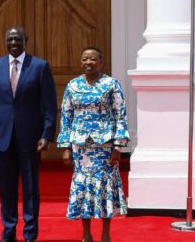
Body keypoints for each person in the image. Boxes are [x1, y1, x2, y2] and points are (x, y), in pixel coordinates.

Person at [0, 26, 57, 242]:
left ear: (26, 40)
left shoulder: (40, 66)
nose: (14, 43)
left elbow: (49, 105)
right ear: (6, 41)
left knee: (31, 188)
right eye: (10, 39)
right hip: (2, 137)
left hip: (31, 138)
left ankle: (30, 233)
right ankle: (9, 231)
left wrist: (47, 134)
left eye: (18, 39)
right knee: (7, 188)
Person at [57, 46, 130, 242]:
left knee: (104, 187)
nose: (88, 63)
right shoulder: (72, 86)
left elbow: (120, 115)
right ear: (81, 62)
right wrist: (66, 148)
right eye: (85, 59)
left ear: (101, 62)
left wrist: (118, 147)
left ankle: (106, 234)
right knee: (84, 189)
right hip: (80, 148)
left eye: (93, 59)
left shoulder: (111, 84)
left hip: (104, 146)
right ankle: (86, 234)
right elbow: (66, 116)